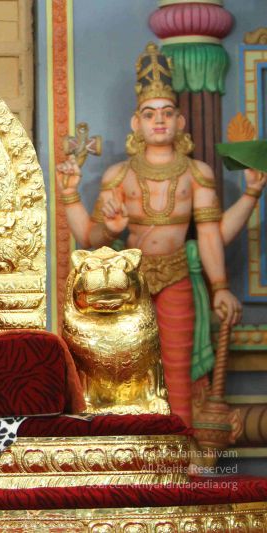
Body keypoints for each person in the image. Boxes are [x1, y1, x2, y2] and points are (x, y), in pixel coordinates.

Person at [56, 43, 266, 428]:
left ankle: (180, 446)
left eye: (167, 113)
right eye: (149, 114)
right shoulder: (119, 176)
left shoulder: (196, 173)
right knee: (124, 364)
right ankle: (133, 445)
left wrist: (220, 285)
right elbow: (90, 237)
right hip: (127, 282)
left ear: (180, 122)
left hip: (176, 276)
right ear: (135, 123)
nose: (159, 121)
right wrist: (73, 197)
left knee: (177, 368)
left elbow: (211, 236)